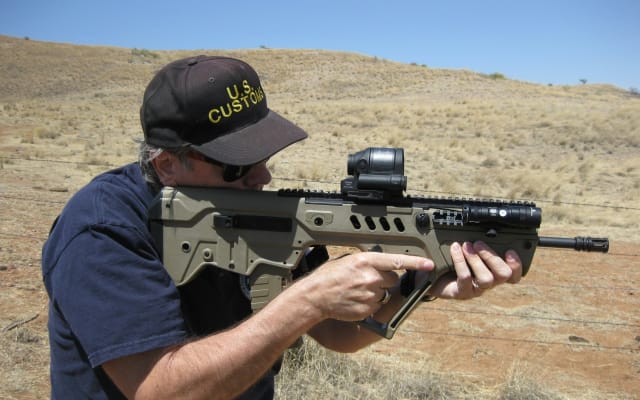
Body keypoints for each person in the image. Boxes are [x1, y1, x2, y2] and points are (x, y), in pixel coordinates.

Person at [41, 55, 523, 399]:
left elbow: (336, 335)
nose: (263, 177)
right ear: (167, 164)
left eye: (264, 156)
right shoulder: (103, 228)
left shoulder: (259, 212)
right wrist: (308, 298)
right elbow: (160, 389)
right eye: (237, 164)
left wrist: (419, 285)